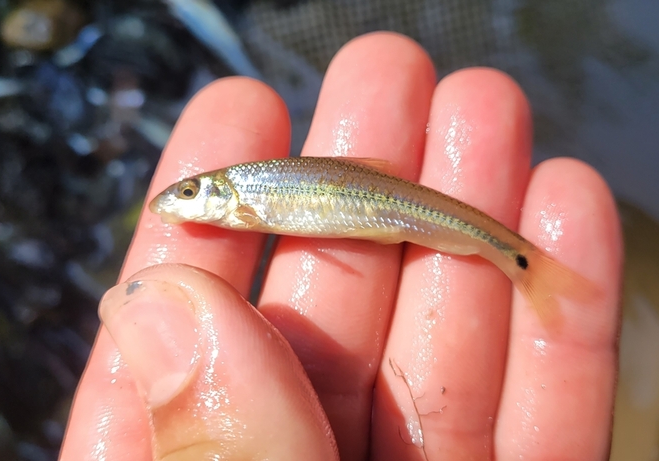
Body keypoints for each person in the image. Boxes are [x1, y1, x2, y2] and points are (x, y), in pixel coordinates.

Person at [59, 32, 622, 460]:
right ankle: (521, 259)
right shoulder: (243, 196)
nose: (180, 200)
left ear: (218, 194)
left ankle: (522, 260)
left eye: (189, 193)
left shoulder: (244, 195)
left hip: (395, 206)